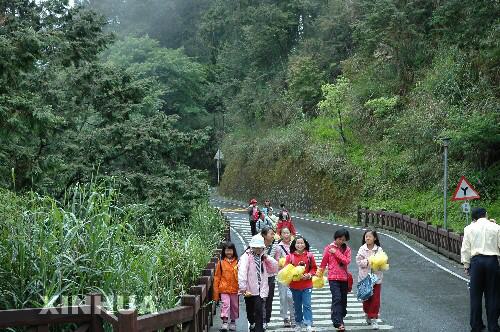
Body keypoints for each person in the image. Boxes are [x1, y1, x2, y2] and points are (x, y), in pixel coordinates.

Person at [461, 207, 500, 332]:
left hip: (476, 263)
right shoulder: (496, 227)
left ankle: (476, 325)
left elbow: (466, 248)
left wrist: (466, 265)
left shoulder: (469, 228)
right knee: (493, 295)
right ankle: (493, 326)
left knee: (475, 295)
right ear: (486, 214)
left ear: (473, 218)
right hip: (492, 262)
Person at [238, 234, 278, 332]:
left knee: (259, 310)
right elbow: (242, 271)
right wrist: (242, 287)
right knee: (250, 310)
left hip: (261, 289)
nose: (259, 250)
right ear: (252, 247)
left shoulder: (263, 257)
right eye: (257, 248)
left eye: (260, 248)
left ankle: (258, 329)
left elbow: (274, 268)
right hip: (249, 289)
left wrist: (267, 258)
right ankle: (252, 323)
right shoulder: (246, 257)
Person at [317, 228, 351, 332]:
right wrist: (318, 275)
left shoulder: (347, 249)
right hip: (333, 278)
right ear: (335, 238)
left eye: (343, 240)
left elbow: (347, 261)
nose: (341, 241)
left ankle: (338, 316)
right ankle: (338, 322)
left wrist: (336, 252)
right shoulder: (328, 248)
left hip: (344, 278)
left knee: (343, 301)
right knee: (337, 298)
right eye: (339, 239)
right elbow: (323, 263)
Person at [284, 236, 317, 332]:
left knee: (307, 304)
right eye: (297, 243)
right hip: (294, 286)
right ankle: (298, 323)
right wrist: (294, 275)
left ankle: (308, 324)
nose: (300, 245)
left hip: (307, 285)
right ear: (294, 245)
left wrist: (309, 275)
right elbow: (286, 270)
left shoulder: (309, 255)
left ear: (305, 244)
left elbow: (314, 268)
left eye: (302, 243)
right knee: (297, 305)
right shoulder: (290, 256)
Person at [356, 230, 384, 330]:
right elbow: (358, 262)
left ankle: (374, 318)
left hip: (376, 279)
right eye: (366, 237)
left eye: (369, 237)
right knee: (366, 298)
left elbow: (383, 263)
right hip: (364, 278)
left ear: (375, 238)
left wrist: (379, 263)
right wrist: (369, 261)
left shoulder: (379, 249)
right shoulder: (362, 249)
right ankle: (367, 313)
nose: (367, 238)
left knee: (376, 299)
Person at [214, 242, 239, 331]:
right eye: (227, 250)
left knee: (234, 306)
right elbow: (217, 278)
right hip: (224, 289)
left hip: (235, 289)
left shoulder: (238, 262)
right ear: (224, 251)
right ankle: (225, 322)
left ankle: (232, 322)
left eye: (230, 250)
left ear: (233, 251)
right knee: (225, 304)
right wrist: (216, 293)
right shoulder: (221, 263)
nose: (229, 252)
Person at [274, 227, 295, 328]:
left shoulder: (295, 245)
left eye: (288, 233)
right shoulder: (278, 247)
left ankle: (293, 316)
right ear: (281, 235)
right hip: (282, 275)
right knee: (283, 297)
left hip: (294, 275)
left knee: (292, 297)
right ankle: (285, 317)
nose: (286, 235)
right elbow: (276, 261)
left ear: (290, 234)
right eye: (284, 233)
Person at [261, 226, 277, 330]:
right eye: (271, 234)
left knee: (269, 300)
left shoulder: (275, 247)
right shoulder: (256, 246)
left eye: (273, 234)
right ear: (264, 235)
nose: (273, 236)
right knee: (261, 299)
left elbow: (276, 263)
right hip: (260, 276)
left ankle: (266, 320)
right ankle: (261, 320)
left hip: (271, 276)